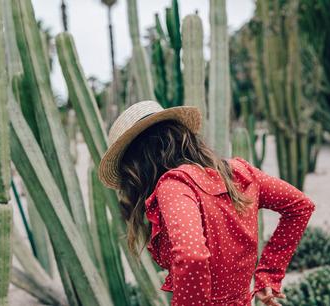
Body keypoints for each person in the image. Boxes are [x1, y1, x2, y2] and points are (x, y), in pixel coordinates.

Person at [98, 100, 316, 306]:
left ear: (136, 163)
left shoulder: (173, 186)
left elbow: (191, 255)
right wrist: (269, 274)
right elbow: (300, 205)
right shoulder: (239, 173)